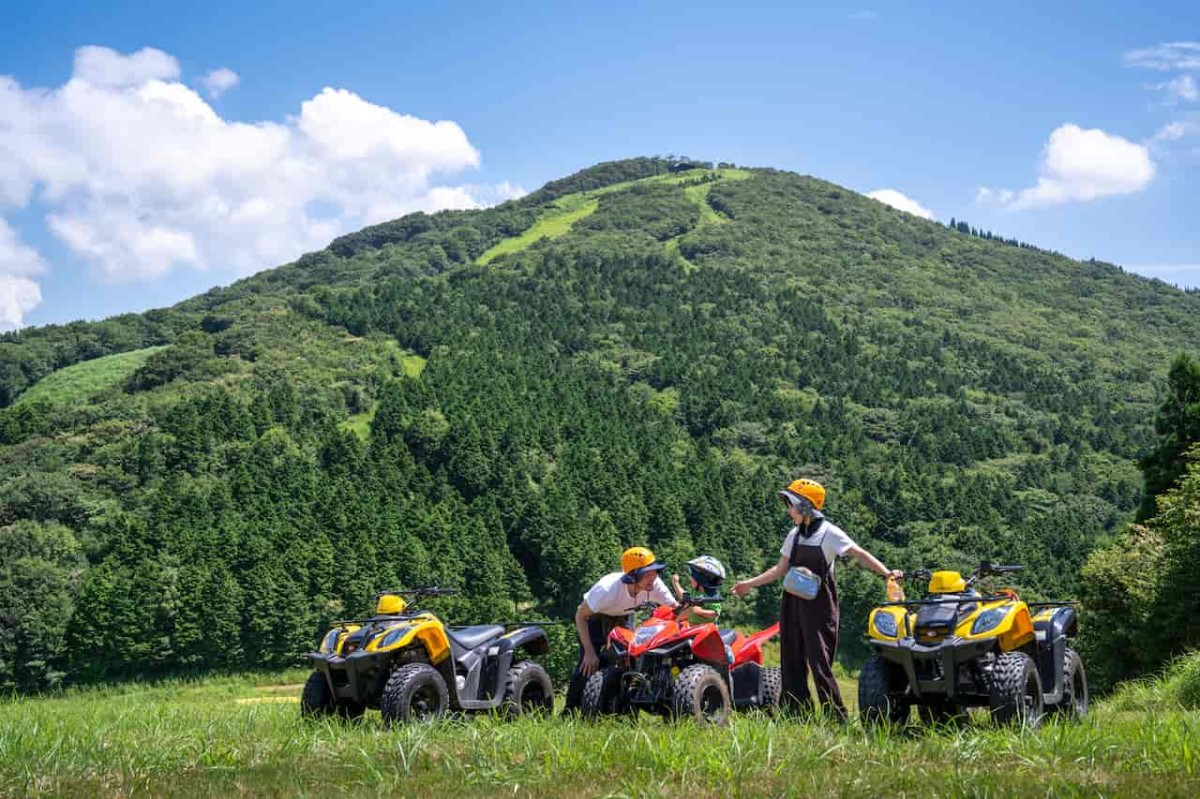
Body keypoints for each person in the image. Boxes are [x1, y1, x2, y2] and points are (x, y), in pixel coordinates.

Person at [732, 478, 899, 722]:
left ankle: (836, 718)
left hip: (819, 607)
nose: (789, 511)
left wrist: (887, 573)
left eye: (791, 505)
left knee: (820, 662)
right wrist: (749, 583)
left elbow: (859, 554)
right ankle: (797, 715)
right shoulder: (794, 535)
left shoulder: (830, 533)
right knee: (791, 659)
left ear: (806, 506)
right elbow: (779, 570)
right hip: (792, 604)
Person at [561, 546, 678, 715]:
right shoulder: (606, 590)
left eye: (655, 571)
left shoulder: (654, 585)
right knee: (588, 665)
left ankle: (623, 711)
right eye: (647, 573)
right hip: (595, 618)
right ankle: (569, 711)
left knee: (630, 661)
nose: (654, 577)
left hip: (624, 617)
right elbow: (580, 615)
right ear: (632, 577)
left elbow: (675, 609)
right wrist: (589, 651)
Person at [671, 555, 726, 624]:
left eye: (692, 577)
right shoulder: (696, 591)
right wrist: (675, 583)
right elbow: (685, 597)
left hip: (705, 630)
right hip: (692, 627)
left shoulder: (712, 596)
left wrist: (701, 612)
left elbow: (715, 613)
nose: (690, 579)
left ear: (701, 580)